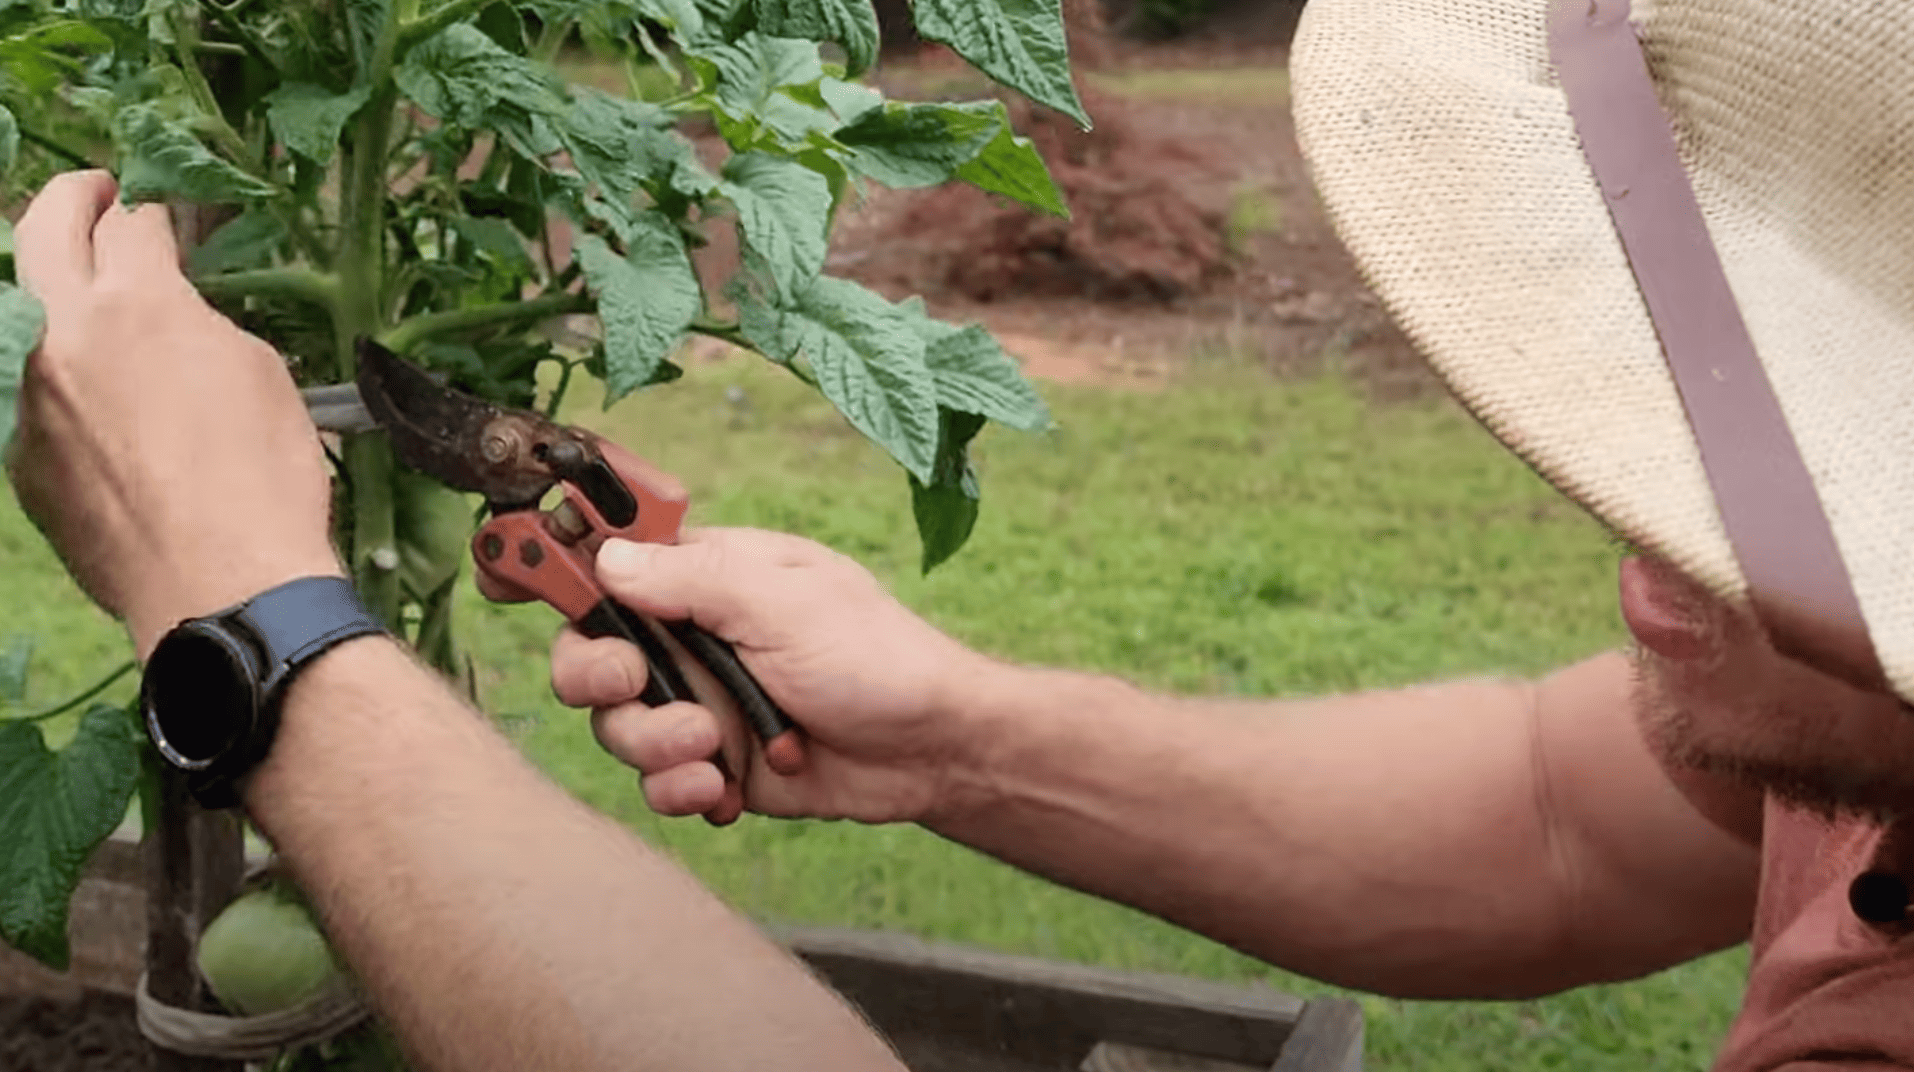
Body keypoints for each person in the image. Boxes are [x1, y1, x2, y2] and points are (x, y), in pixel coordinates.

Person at [8, 1, 1912, 1071]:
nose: (1642, 530)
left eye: (1811, 483)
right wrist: (957, 737)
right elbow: (1553, 817)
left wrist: (252, 633)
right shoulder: (1849, 732)